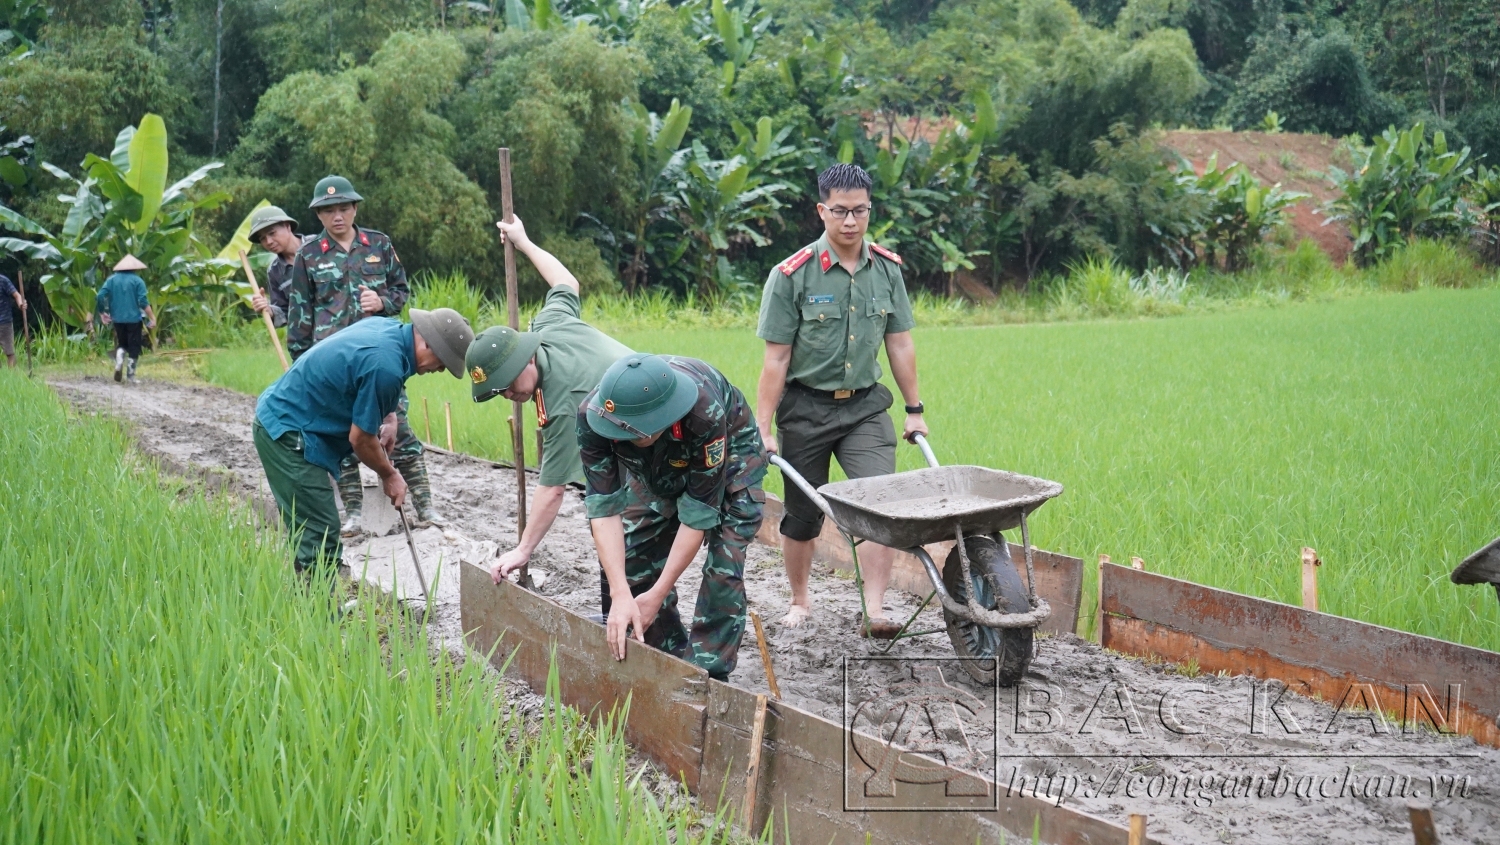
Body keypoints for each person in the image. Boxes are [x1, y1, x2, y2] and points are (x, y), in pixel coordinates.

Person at [754, 162, 927, 637]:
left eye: (860, 211)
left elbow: (900, 344)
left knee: (877, 506)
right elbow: (776, 359)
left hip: (864, 408)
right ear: (821, 211)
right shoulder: (791, 275)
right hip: (805, 409)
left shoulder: (887, 271)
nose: (850, 222)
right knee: (803, 514)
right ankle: (800, 599)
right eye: (840, 211)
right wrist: (764, 428)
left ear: (870, 210)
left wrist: (914, 411)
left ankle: (875, 610)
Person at [578, 353, 767, 681]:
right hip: (659, 459)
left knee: (724, 562)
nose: (618, 440)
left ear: (660, 419)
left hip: (732, 451)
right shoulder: (594, 418)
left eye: (630, 435)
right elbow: (604, 509)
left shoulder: (704, 414)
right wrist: (621, 593)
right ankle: (658, 649)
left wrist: (660, 590)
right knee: (632, 549)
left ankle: (707, 671)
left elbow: (696, 515)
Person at [466, 215, 633, 584]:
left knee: (626, 531)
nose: (511, 395)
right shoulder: (546, 326)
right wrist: (523, 241)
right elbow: (565, 282)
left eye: (509, 383)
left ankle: (637, 627)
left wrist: (523, 549)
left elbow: (553, 487)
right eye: (500, 393)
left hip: (663, 430)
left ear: (526, 358)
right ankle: (615, 612)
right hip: (630, 428)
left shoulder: (562, 403)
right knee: (606, 514)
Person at [253, 308, 473, 578]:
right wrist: (389, 474)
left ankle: (311, 605)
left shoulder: (388, 330)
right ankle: (321, 614)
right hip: (288, 433)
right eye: (442, 362)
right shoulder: (386, 365)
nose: (438, 370)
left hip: (284, 417)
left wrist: (390, 416)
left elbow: (375, 377)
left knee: (312, 529)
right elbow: (360, 439)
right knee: (319, 533)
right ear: (428, 343)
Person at [284, 175, 437, 533]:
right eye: (328, 211)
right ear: (319, 215)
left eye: (343, 208)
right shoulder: (307, 256)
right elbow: (299, 316)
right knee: (342, 437)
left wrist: (382, 301)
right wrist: (301, 366)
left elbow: (402, 292)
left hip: (381, 358)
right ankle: (354, 513)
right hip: (336, 364)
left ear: (354, 208)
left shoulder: (379, 245)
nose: (337, 216)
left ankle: (426, 507)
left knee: (400, 430)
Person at [95, 255, 157, 385]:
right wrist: (152, 317)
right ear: (135, 268)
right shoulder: (138, 281)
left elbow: (100, 295)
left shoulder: (111, 280)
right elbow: (143, 301)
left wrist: (102, 312)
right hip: (134, 319)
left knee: (122, 344)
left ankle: (119, 361)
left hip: (117, 319)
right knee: (134, 347)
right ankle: (130, 377)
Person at [245, 205, 305, 327]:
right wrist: (268, 309)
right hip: (308, 338)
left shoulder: (320, 246)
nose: (269, 241)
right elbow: (284, 311)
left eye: (272, 233)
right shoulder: (274, 271)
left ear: (288, 226)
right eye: (263, 239)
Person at [0, 271, 25, 368]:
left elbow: (17, 295)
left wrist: (21, 304)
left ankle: (12, 376)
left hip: (4, 322)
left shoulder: (3, 280)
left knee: (9, 351)